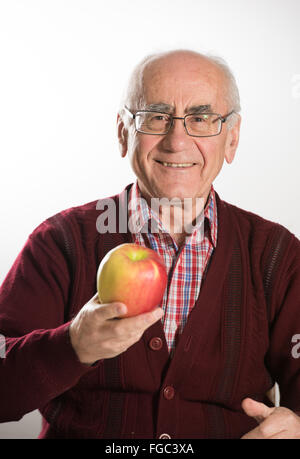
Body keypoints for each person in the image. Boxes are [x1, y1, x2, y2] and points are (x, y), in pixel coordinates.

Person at [0, 49, 300, 439]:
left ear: (232, 138)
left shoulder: (275, 255)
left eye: (202, 118)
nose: (177, 140)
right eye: (156, 117)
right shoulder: (60, 244)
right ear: (124, 133)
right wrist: (72, 345)